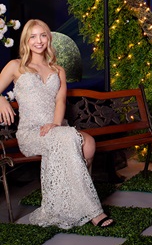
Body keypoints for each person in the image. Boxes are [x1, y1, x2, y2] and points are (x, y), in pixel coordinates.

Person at [0, 19, 114, 228]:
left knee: (89, 144)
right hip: (31, 132)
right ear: (26, 40)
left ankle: (73, 204)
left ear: (49, 38)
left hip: (56, 127)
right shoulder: (16, 66)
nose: (38, 41)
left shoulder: (58, 69)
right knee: (70, 139)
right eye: (33, 36)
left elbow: (60, 101)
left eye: (43, 35)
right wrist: (1, 100)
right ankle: (94, 212)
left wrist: (55, 124)